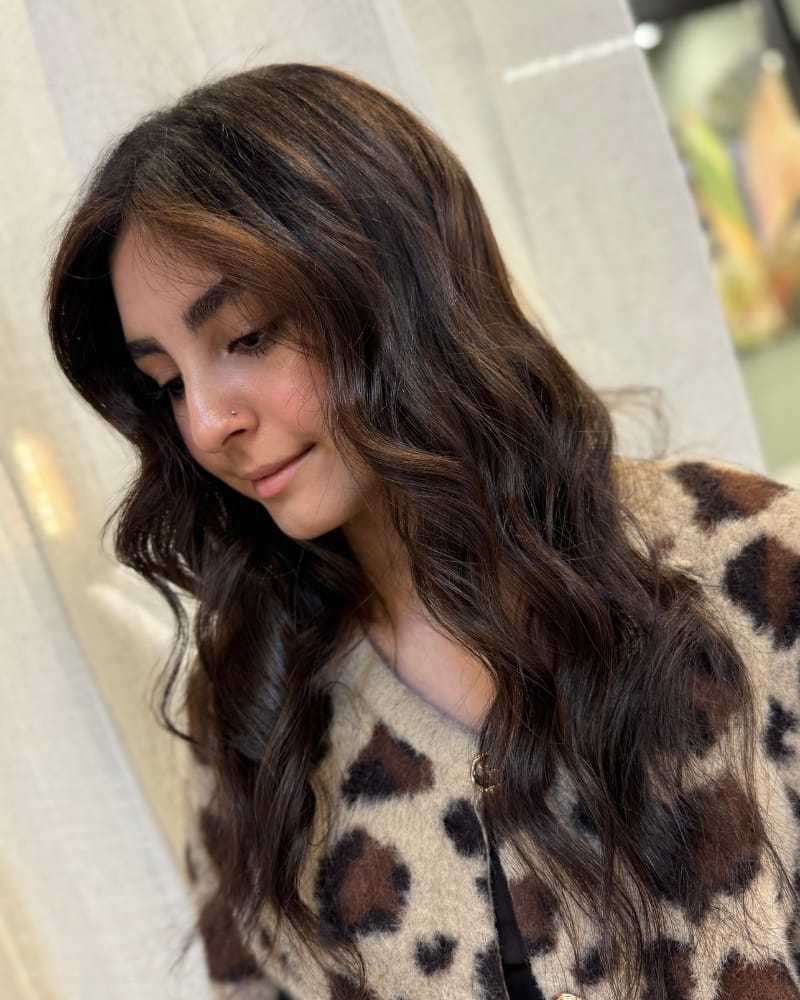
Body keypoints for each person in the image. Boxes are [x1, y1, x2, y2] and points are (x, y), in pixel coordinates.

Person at [45, 63, 800, 1000]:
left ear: (400, 292)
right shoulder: (257, 702)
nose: (203, 424)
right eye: (167, 381)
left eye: (246, 337)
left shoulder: (749, 567)